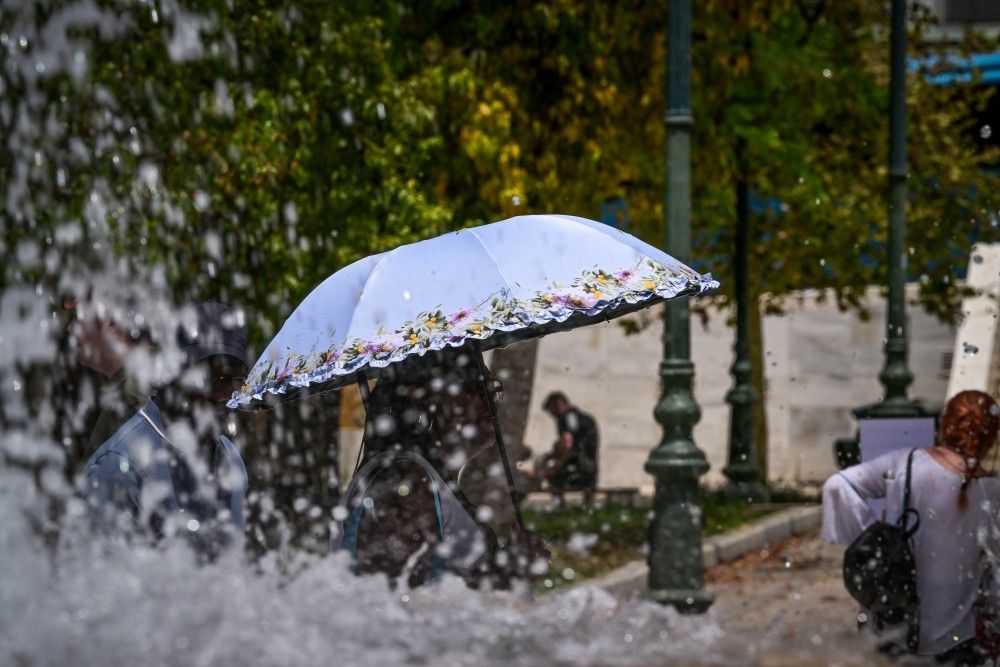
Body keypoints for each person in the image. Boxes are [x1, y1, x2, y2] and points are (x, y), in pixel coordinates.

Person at [332, 348, 549, 589]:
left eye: (493, 387)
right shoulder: (404, 484)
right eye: (477, 386)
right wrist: (507, 573)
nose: (490, 398)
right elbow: (394, 603)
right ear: (423, 396)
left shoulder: (426, 480)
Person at [821, 390, 1000, 664]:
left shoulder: (904, 462)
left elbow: (837, 485)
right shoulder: (993, 492)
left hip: (891, 634)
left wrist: (873, 537)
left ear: (944, 425)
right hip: (954, 641)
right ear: (992, 437)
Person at [79, 301, 251, 556]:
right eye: (212, 381)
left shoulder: (230, 460)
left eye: (236, 382)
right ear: (174, 376)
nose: (223, 396)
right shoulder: (120, 467)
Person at [534, 391, 599, 504]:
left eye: (552, 411)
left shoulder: (567, 417)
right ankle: (587, 506)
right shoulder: (581, 417)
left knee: (553, 477)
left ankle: (559, 507)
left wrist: (555, 467)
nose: (553, 416)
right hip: (590, 471)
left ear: (559, 405)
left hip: (579, 469)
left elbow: (567, 444)